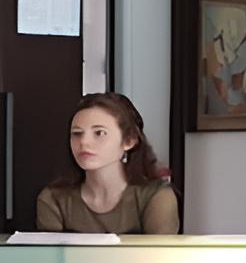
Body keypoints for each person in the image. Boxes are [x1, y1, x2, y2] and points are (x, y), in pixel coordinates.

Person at [34, 93, 180, 234]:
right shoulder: (53, 198)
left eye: (99, 133)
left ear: (129, 141)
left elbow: (161, 251)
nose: (84, 142)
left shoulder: (156, 196)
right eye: (77, 133)